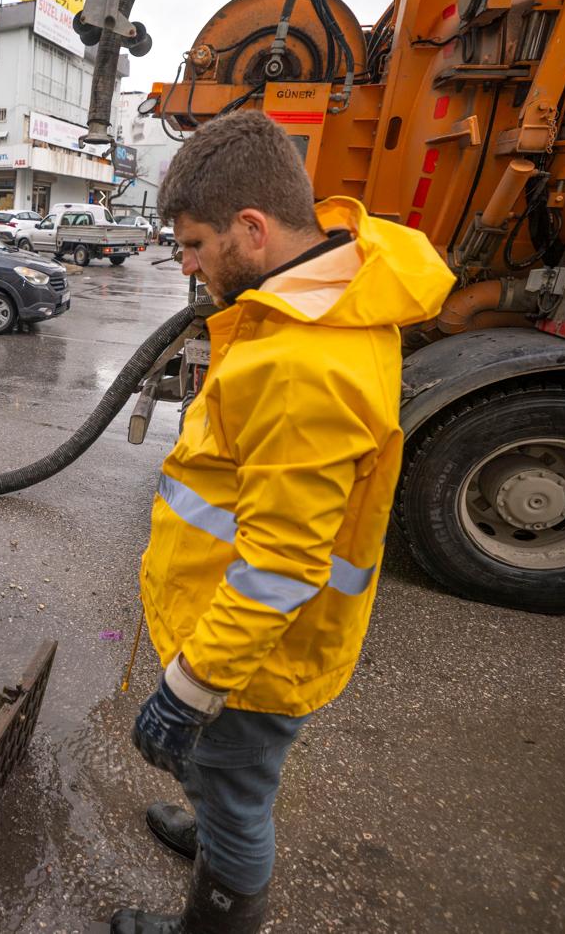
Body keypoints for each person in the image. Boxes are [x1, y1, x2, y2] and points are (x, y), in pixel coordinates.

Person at [112, 112, 453, 933]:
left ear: (253, 229)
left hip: (250, 662)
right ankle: (215, 818)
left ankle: (217, 912)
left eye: (194, 245)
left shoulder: (304, 363)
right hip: (251, 640)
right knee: (229, 783)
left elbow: (278, 568)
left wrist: (188, 692)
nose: (189, 267)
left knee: (237, 794)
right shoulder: (323, 296)